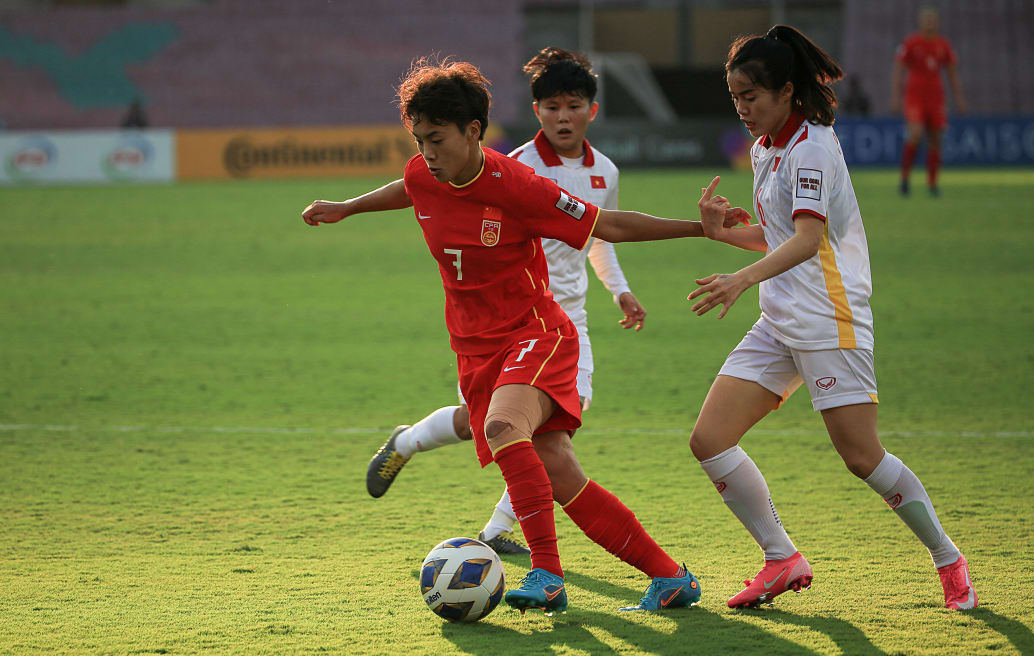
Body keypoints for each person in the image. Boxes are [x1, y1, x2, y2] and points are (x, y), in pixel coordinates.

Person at [302, 57, 748, 614]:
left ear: (473, 131)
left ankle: (547, 574)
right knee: (558, 469)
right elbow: (407, 187)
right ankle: (669, 576)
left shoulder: (515, 184)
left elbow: (606, 225)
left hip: (537, 334)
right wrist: (347, 208)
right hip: (475, 347)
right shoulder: (426, 172)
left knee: (502, 425)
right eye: (419, 141)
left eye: (437, 139)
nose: (427, 153)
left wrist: (696, 228)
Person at [687, 25, 977, 611]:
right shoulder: (769, 146)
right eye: (735, 96)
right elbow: (775, 235)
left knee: (861, 457)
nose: (743, 109)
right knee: (710, 440)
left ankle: (949, 560)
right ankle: (781, 558)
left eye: (753, 97)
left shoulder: (813, 147)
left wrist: (743, 278)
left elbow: (806, 239)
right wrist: (723, 234)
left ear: (788, 91)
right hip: (780, 319)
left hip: (829, 321)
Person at [363, 47, 647, 559]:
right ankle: (411, 446)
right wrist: (347, 208)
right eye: (552, 106)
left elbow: (599, 236)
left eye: (574, 105)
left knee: (544, 422)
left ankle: (495, 526)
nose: (564, 117)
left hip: (565, 317)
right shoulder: (514, 167)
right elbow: (426, 186)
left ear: (592, 110)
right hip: (504, 321)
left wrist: (619, 289)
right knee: (500, 426)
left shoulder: (605, 170)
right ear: (536, 110)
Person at [890, 6, 966, 196]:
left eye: (933, 20)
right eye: (927, 19)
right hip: (915, 96)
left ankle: (932, 184)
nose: (929, 23)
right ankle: (905, 180)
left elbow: (952, 73)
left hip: (936, 96)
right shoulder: (911, 43)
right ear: (920, 22)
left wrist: (959, 98)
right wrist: (895, 97)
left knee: (935, 139)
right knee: (915, 134)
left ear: (937, 22)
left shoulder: (943, 45)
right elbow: (898, 70)